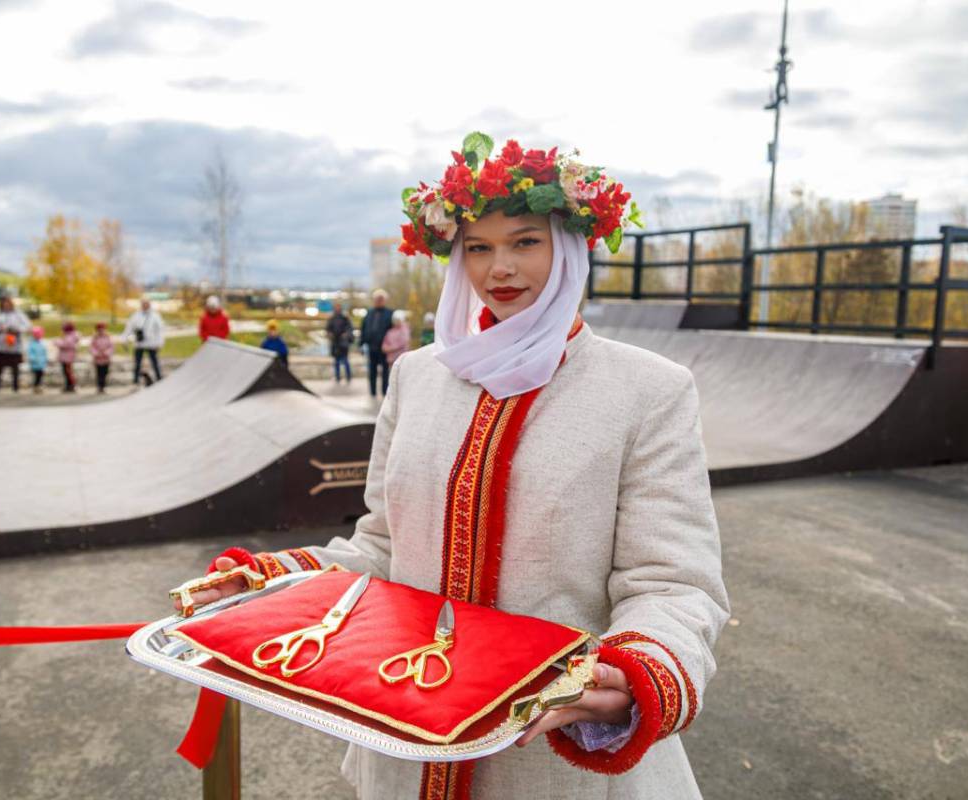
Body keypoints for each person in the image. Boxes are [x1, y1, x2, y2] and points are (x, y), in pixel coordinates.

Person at [175, 134, 727, 799]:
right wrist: (271, 589)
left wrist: (633, 671)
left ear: (572, 249)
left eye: (526, 242)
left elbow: (673, 584)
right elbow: (381, 548)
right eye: (479, 247)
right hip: (403, 744)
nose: (501, 268)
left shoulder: (648, 391)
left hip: (545, 758)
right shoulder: (416, 376)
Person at [0, 296, 29, 393]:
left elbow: (26, 325)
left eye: (8, 303)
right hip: (1, 345)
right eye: (4, 303)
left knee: (15, 368)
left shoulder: (18, 314)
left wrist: (16, 329)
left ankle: (15, 386)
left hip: (14, 346)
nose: (6, 305)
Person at [121, 299, 164, 384]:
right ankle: (136, 379)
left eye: (146, 304)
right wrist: (124, 339)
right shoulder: (136, 316)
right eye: (143, 304)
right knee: (137, 362)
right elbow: (129, 328)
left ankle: (158, 377)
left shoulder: (155, 316)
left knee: (154, 361)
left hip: (152, 343)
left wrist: (160, 343)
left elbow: (160, 330)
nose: (145, 306)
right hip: (140, 343)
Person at [360, 289, 394, 396]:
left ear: (384, 300)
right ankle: (372, 392)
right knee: (372, 370)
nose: (379, 301)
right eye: (377, 299)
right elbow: (364, 328)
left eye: (381, 299)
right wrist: (362, 343)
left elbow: (394, 330)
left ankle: (385, 391)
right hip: (372, 347)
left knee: (385, 371)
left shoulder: (390, 313)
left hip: (384, 347)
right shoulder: (369, 313)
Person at [326, 306, 354, 383]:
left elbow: (350, 329)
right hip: (335, 343)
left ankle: (348, 377)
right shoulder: (332, 319)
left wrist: (346, 335)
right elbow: (328, 329)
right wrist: (330, 334)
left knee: (345, 361)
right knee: (336, 362)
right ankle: (338, 377)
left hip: (343, 343)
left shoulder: (345, 318)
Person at [89, 322, 114, 394]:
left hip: (106, 359)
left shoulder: (108, 337)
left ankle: (103, 386)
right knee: (99, 373)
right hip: (98, 359)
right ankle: (99, 387)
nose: (101, 331)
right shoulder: (95, 338)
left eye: (102, 329)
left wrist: (106, 353)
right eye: (99, 329)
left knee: (105, 373)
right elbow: (91, 347)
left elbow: (111, 347)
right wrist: (97, 353)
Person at [57, 321, 79, 393]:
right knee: (66, 372)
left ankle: (71, 385)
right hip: (65, 357)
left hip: (67, 357)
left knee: (68, 372)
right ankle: (68, 385)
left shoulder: (70, 337)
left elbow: (66, 344)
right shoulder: (68, 336)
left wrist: (57, 342)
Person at [26, 326, 48, 393]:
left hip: (41, 363)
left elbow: (44, 352)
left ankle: (38, 386)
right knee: (36, 376)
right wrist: (33, 359)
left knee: (40, 375)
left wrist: (45, 360)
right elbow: (30, 353)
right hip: (35, 363)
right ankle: (36, 386)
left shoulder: (41, 343)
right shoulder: (32, 343)